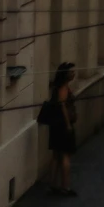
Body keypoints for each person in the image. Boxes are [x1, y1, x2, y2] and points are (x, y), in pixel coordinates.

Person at [39, 62, 78, 194]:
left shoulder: (60, 87)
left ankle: (53, 183)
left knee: (56, 154)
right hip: (62, 125)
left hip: (56, 125)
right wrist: (68, 124)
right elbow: (63, 107)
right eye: (71, 72)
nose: (74, 74)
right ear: (65, 74)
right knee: (65, 155)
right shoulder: (63, 89)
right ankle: (65, 186)